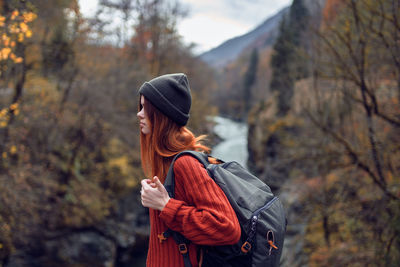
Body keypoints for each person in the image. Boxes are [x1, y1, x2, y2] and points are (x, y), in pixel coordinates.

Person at [137, 73, 241, 267]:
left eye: (145, 108)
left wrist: (166, 206)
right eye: (140, 107)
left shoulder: (186, 164)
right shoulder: (164, 163)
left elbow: (227, 228)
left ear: (162, 114)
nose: (139, 114)